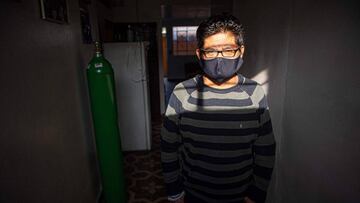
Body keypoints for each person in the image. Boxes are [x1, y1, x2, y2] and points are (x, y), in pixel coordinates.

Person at [161, 13, 276, 203]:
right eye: (211, 51)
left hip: (241, 196)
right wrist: (175, 190)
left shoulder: (254, 92)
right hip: (194, 195)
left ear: (241, 51)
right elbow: (168, 146)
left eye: (228, 49)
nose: (219, 58)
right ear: (199, 54)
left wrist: (257, 192)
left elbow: (265, 148)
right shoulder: (182, 92)